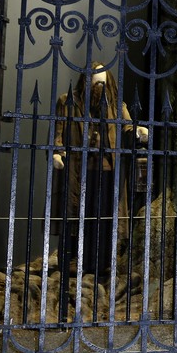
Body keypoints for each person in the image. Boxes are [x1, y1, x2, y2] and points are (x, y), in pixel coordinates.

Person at [52, 63, 148, 277]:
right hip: (79, 170)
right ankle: (73, 260)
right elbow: (59, 129)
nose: (99, 89)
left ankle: (103, 262)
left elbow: (127, 128)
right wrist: (57, 152)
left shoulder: (116, 105)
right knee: (78, 213)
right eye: (95, 83)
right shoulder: (68, 102)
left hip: (107, 173)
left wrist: (138, 131)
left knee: (105, 216)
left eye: (103, 83)